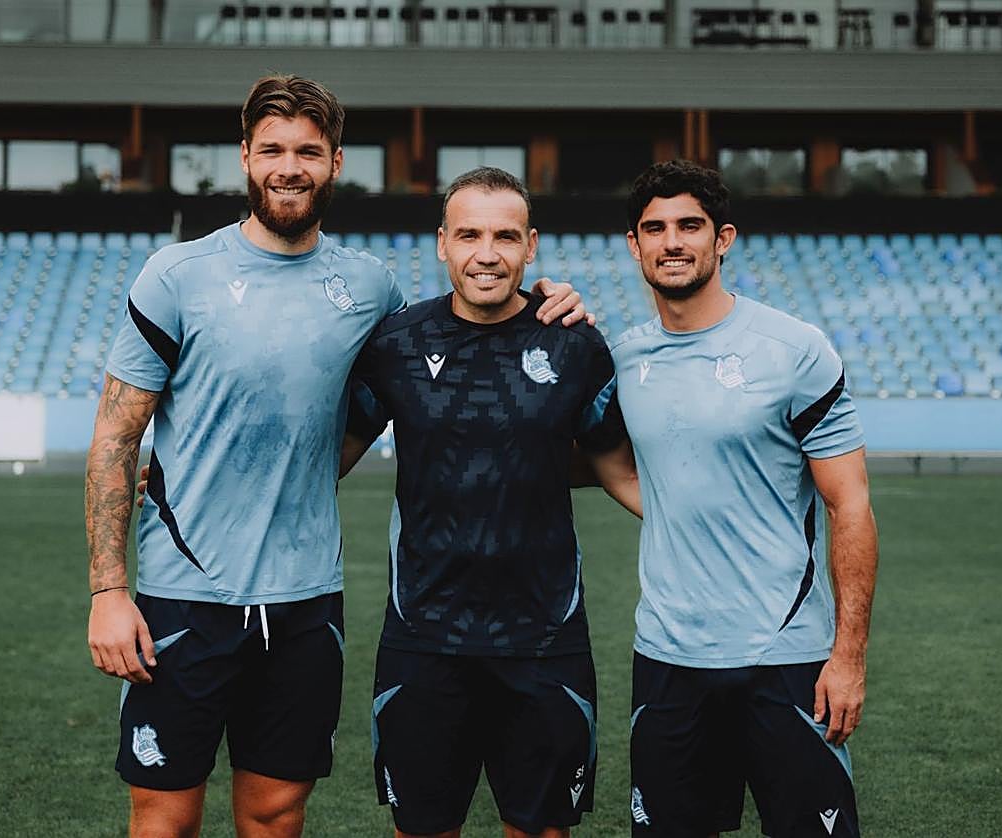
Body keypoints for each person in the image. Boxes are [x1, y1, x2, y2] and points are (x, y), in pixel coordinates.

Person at [84, 76, 586, 838]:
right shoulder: (176, 276)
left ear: (335, 162)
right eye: (274, 150)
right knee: (163, 820)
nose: (291, 166)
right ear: (246, 157)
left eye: (309, 152)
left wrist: (551, 301)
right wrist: (107, 589)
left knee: (277, 811)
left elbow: (449, 343)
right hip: (182, 598)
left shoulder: (369, 289)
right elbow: (118, 436)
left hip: (304, 602)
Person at [341, 166, 640, 838]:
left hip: (544, 637)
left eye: (505, 236)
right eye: (469, 234)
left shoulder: (575, 343)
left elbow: (618, 468)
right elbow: (326, 456)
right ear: (442, 244)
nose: (487, 253)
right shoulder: (396, 345)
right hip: (423, 635)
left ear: (530, 246)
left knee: (540, 830)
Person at [611, 161, 878, 838]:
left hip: (786, 656)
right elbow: (608, 462)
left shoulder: (794, 351)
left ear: (722, 238)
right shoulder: (622, 359)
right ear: (634, 245)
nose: (673, 241)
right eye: (656, 228)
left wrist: (847, 658)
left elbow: (850, 505)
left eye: (690, 226)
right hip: (669, 658)